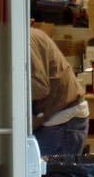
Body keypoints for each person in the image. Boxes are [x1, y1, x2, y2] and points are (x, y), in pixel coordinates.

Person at [30, 27, 89, 155]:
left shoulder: (24, 40)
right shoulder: (29, 37)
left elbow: (38, 88)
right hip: (62, 114)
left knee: (48, 167)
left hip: (61, 118)